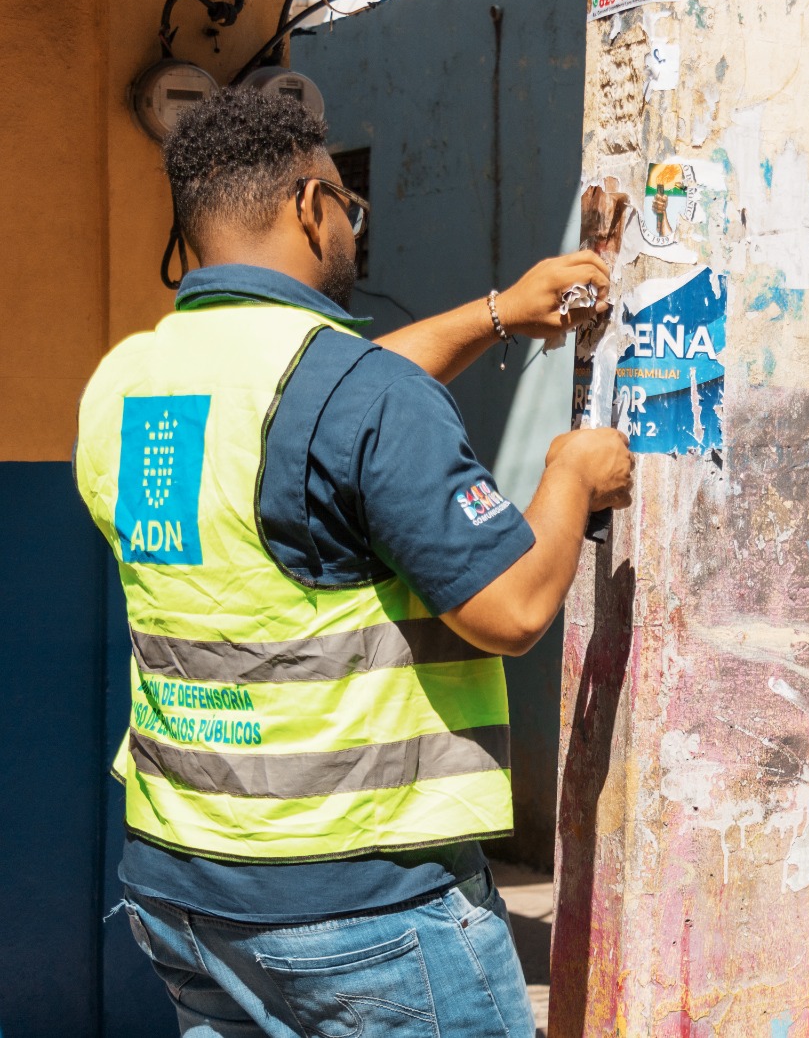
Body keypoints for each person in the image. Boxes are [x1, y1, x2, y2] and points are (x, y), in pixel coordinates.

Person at [74, 89, 632, 1037]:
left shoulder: (127, 380)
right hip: (360, 902)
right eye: (345, 203)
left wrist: (497, 313)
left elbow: (329, 414)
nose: (348, 224)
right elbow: (512, 607)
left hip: (182, 893)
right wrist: (570, 474)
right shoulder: (355, 394)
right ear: (308, 205)